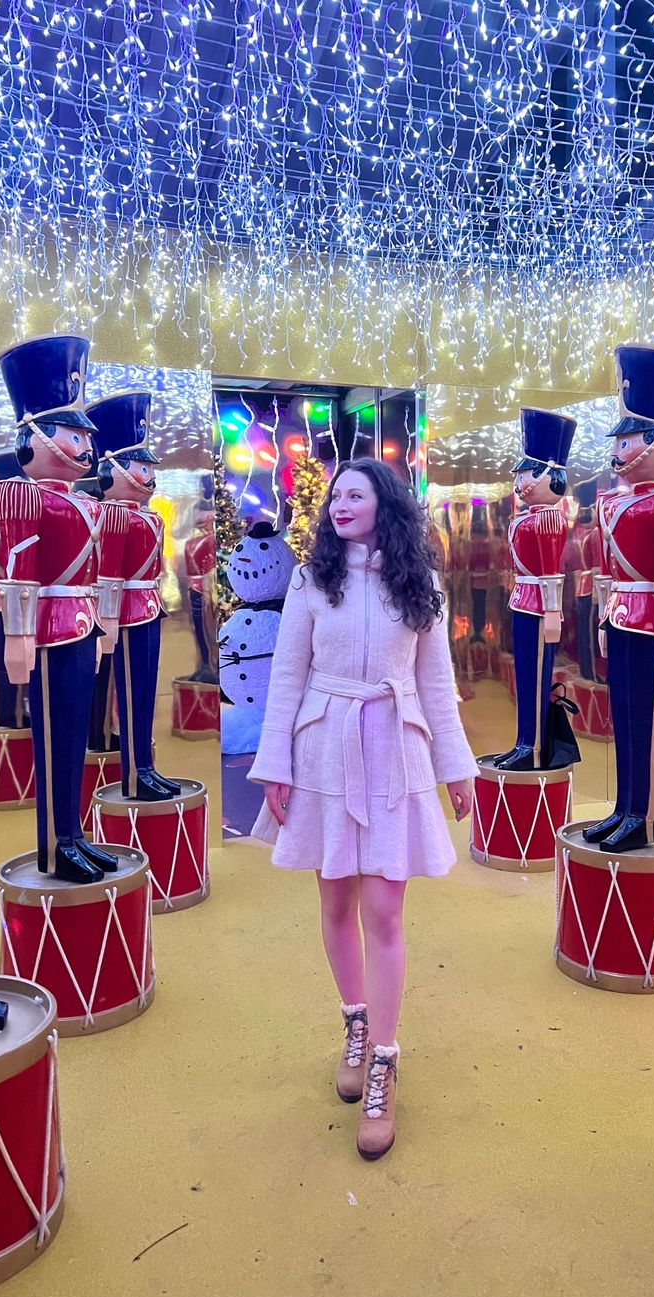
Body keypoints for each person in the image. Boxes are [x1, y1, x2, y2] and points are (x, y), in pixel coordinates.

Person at [248, 458, 478, 1161]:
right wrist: (275, 764)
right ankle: (355, 1019)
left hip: (394, 752)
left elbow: (437, 685)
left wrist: (457, 768)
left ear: (386, 503)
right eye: (335, 495)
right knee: (335, 902)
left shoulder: (423, 585)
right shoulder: (313, 578)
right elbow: (285, 674)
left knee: (384, 910)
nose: (340, 504)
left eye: (356, 493)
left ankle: (383, 1057)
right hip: (323, 748)